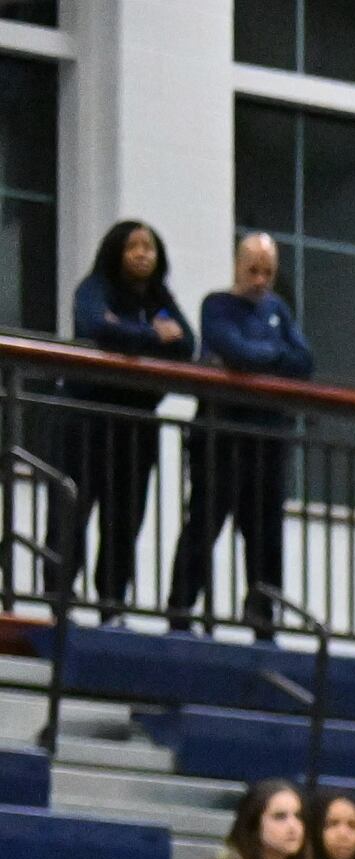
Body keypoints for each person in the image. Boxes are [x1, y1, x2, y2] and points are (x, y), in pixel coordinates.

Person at [166, 230, 313, 633]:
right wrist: (272, 354)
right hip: (220, 435)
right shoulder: (217, 305)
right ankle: (180, 607)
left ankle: (263, 615)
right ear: (237, 266)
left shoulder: (278, 309)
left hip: (267, 437)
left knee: (266, 533)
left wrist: (263, 357)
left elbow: (303, 359)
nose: (260, 280)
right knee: (205, 523)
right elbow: (237, 350)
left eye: (267, 271)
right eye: (253, 270)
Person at [50, 220, 191, 609]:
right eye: (134, 246)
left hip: (134, 426)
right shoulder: (96, 288)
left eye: (149, 247)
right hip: (86, 418)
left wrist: (125, 332)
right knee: (72, 512)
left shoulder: (160, 298)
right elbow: (96, 326)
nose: (143, 254)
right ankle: (59, 595)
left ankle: (112, 601)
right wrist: (150, 337)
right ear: (117, 252)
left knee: (125, 519)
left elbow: (187, 343)